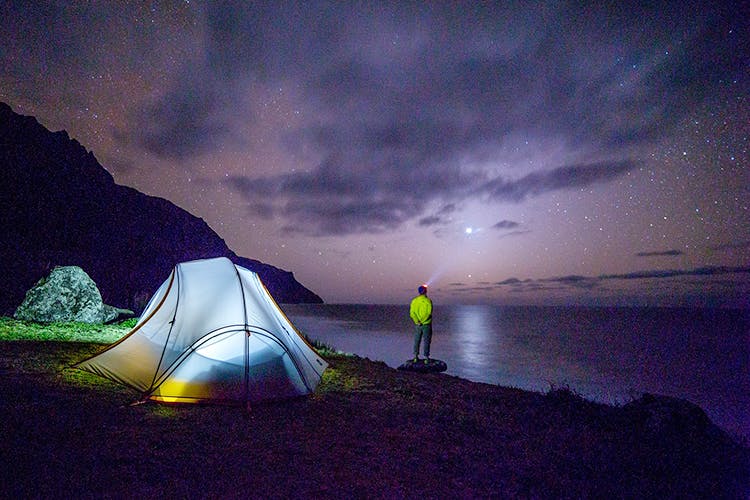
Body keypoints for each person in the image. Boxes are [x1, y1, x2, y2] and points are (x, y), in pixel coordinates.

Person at [409, 284, 433, 363]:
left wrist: (417, 321)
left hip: (417, 325)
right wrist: (422, 321)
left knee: (417, 340)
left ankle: (415, 357)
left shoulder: (414, 301)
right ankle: (426, 358)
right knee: (426, 340)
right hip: (426, 324)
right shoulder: (428, 301)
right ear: (425, 292)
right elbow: (428, 313)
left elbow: (412, 313)